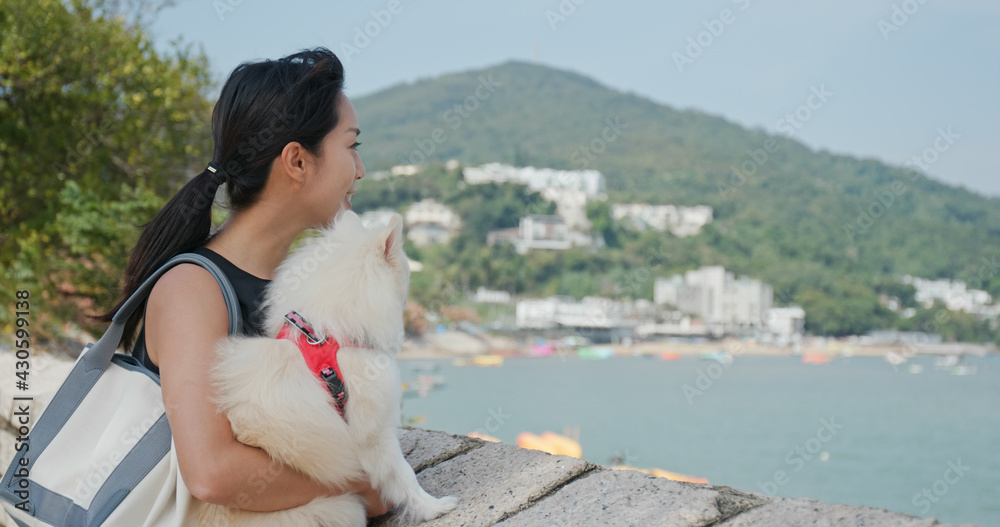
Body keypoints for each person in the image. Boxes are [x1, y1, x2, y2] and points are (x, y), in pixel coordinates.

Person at [96, 47, 392, 519]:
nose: (360, 169)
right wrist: (363, 480)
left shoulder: (296, 290)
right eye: (352, 146)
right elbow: (211, 472)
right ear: (296, 161)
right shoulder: (193, 289)